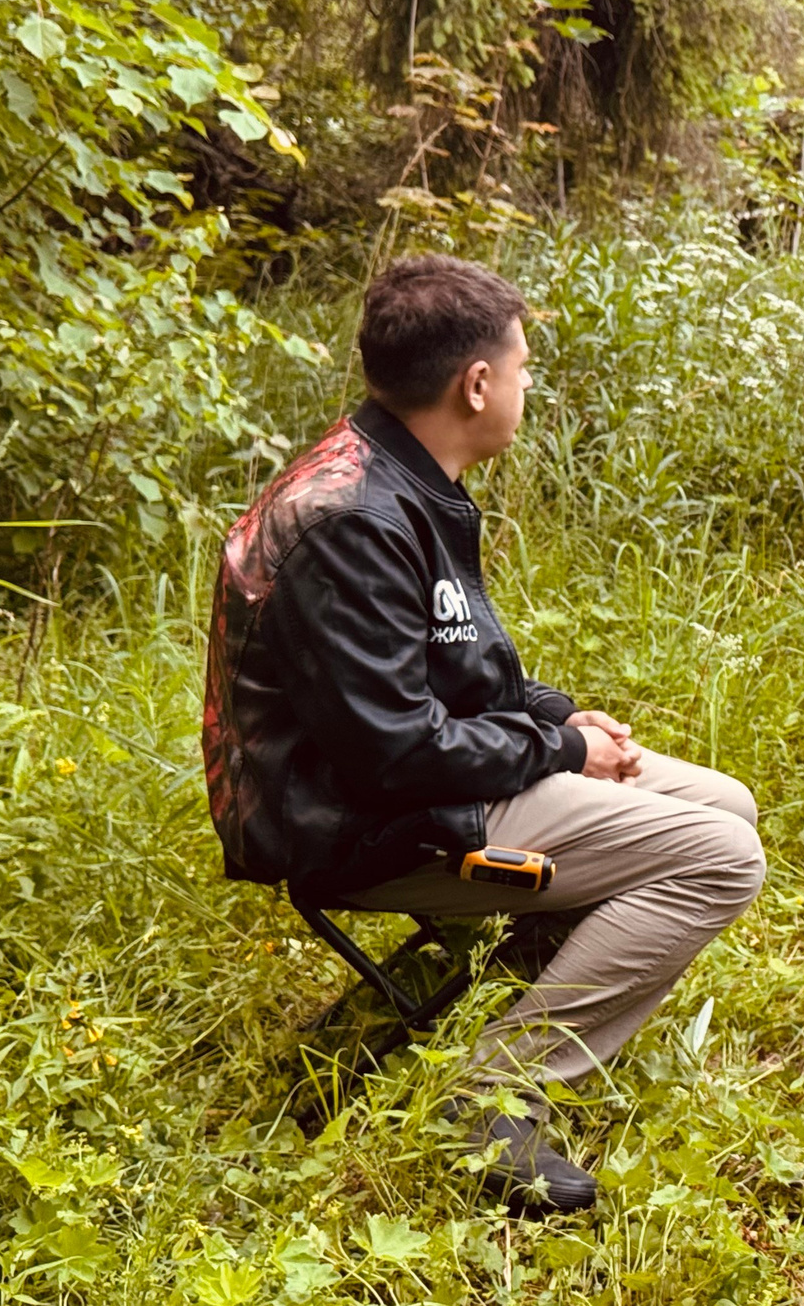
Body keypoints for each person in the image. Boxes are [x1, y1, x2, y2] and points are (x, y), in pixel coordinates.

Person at [203, 254, 764, 1213]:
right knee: (720, 856)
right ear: (475, 384)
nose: (526, 385)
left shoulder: (402, 481)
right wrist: (558, 752)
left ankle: (518, 996)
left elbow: (449, 671)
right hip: (355, 825)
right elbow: (391, 751)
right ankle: (497, 1095)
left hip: (412, 782)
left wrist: (555, 717)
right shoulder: (353, 520)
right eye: (523, 366)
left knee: (725, 800)